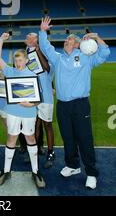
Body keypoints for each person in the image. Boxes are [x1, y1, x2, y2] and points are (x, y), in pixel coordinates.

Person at [39, 16, 110, 190]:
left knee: (84, 138)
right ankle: (72, 165)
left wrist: (95, 37)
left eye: (70, 39)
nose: (66, 40)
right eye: (66, 39)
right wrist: (42, 31)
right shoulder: (58, 58)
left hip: (80, 105)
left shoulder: (86, 57)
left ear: (78, 44)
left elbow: (105, 53)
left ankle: (91, 173)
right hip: (62, 106)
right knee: (68, 138)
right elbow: (45, 47)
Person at [0, 33, 46, 188]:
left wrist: (31, 104)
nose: (18, 63)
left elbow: (39, 98)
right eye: (16, 60)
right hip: (12, 112)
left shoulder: (32, 75)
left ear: (26, 60)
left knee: (30, 139)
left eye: (20, 60)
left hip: (29, 113)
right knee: (11, 139)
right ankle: (6, 170)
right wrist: (1, 39)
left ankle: (35, 171)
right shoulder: (10, 72)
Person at [24, 32, 55, 168]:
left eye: (30, 36)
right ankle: (34, 150)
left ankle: (50, 152)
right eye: (28, 37)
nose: (27, 38)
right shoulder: (26, 52)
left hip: (46, 95)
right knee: (34, 124)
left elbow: (47, 68)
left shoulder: (45, 51)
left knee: (47, 125)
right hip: (33, 94)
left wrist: (37, 50)